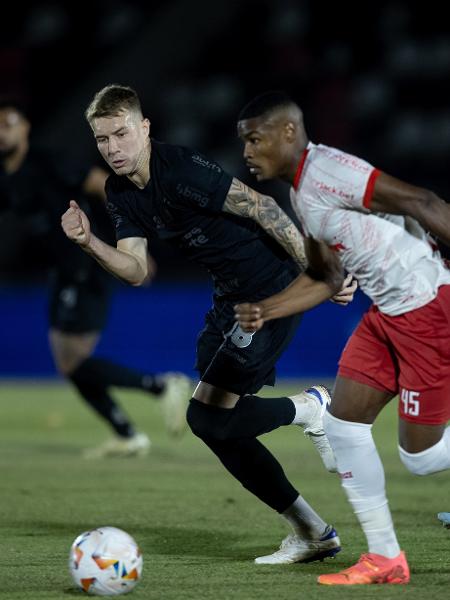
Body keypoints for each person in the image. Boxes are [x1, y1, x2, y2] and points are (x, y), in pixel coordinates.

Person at [60, 84, 360, 564]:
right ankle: (311, 530)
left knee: (206, 417)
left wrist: (319, 271)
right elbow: (136, 270)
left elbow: (262, 206)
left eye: (120, 134)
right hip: (229, 301)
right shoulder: (120, 191)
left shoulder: (180, 168)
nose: (113, 148)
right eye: (102, 140)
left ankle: (311, 410)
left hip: (269, 292)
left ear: (144, 128)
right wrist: (89, 243)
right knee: (219, 426)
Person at [234, 90, 450, 584]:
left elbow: (423, 201)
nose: (247, 152)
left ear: (288, 132)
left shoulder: (330, 174)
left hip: (425, 311)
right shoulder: (299, 192)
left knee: (422, 459)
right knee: (343, 424)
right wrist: (266, 310)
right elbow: (328, 277)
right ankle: (385, 559)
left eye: (255, 139)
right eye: (244, 142)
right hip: (386, 315)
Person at [0, 99, 191, 459]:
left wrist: (134, 242)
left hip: (87, 263)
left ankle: (160, 386)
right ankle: (128, 433)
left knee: (73, 363)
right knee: (68, 365)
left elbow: (101, 182)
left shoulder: (48, 161)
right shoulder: (7, 176)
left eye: (8, 124)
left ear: (24, 127)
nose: (2, 133)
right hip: (62, 269)